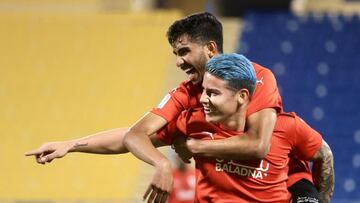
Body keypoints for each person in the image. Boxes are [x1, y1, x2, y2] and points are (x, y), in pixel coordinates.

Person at [24, 12, 320, 202]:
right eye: (175, 54)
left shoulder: (258, 78)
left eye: (184, 51)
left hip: (285, 184)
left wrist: (193, 145)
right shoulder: (186, 97)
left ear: (211, 49)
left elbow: (258, 145)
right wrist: (71, 144)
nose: (178, 61)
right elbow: (134, 135)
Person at [164, 53, 334, 202]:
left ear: (242, 96)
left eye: (213, 93)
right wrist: (161, 163)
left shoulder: (286, 126)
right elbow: (142, 135)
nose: (202, 99)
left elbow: (324, 154)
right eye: (204, 91)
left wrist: (195, 146)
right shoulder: (194, 123)